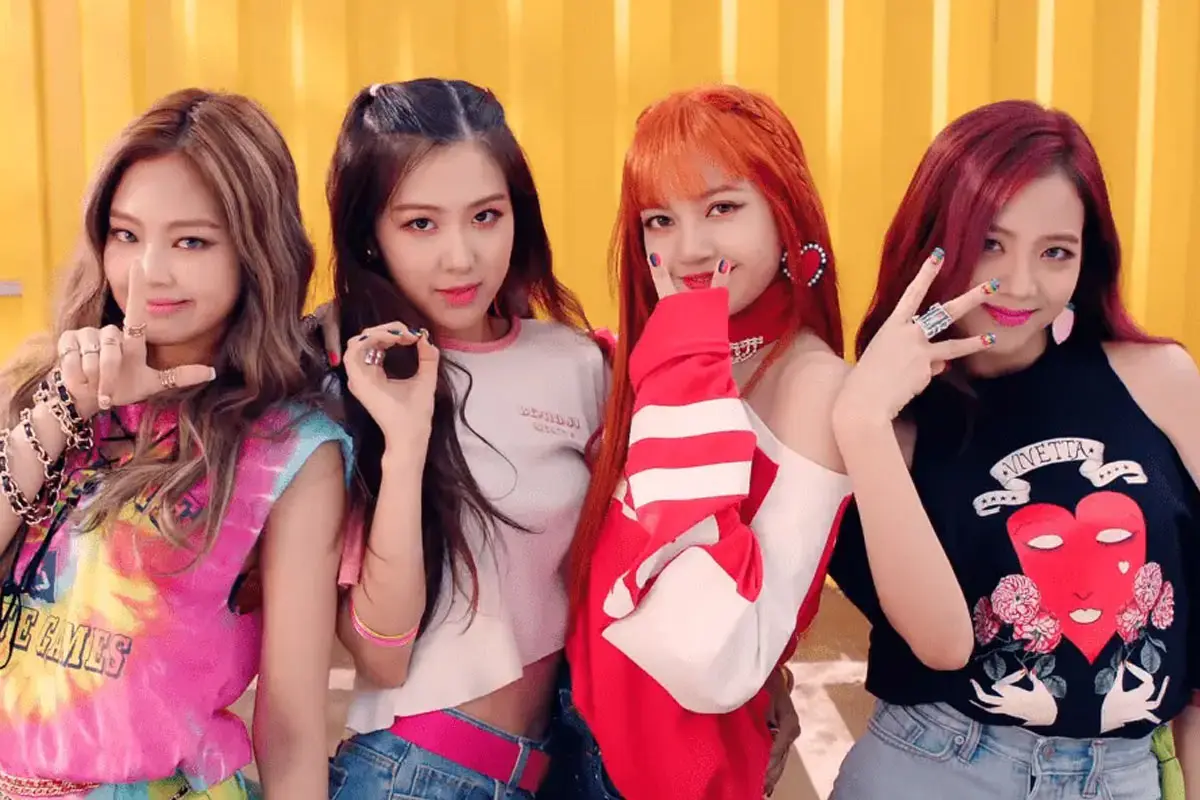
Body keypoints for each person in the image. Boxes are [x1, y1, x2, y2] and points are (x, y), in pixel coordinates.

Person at [827, 99, 1200, 799]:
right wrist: (863, 422)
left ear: (1089, 257)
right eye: (989, 244)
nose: (1020, 284)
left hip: (1120, 777)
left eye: (1055, 251)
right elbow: (941, 645)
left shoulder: (1159, 382)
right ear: (934, 243)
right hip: (935, 764)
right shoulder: (887, 426)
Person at [0, 89, 351, 799]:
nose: (148, 271)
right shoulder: (42, 383)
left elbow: (290, 724)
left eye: (191, 241)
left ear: (256, 252)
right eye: (126, 234)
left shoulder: (288, 452)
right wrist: (66, 406)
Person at [549, 84, 851, 800]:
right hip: (571, 740)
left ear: (785, 212)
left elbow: (716, 658)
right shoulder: (662, 356)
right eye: (660, 219)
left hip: (673, 779)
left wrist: (684, 360)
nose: (688, 249)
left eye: (722, 208)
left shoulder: (813, 385)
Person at [320, 78, 608, 800]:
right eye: (420, 224)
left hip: (558, 768)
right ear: (370, 237)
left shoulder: (578, 364)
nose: (461, 257)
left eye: (485, 216)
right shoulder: (350, 385)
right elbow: (381, 658)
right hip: (415, 774)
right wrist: (406, 439)